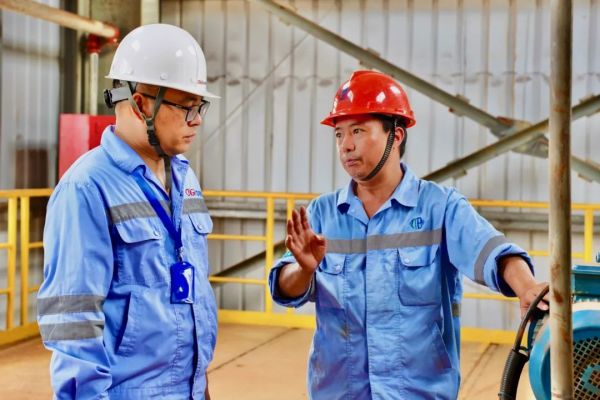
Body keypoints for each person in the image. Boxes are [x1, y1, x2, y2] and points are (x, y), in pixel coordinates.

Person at [269, 70, 548, 399]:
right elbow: (283, 286)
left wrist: (527, 287)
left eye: (358, 130)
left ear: (396, 135)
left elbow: (492, 252)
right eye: (339, 134)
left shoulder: (439, 208)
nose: (346, 145)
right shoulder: (322, 214)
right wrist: (303, 269)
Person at [37, 24, 218, 399]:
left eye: (200, 106)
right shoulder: (87, 188)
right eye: (187, 106)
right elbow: (73, 324)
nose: (198, 119)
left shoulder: (184, 176)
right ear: (141, 104)